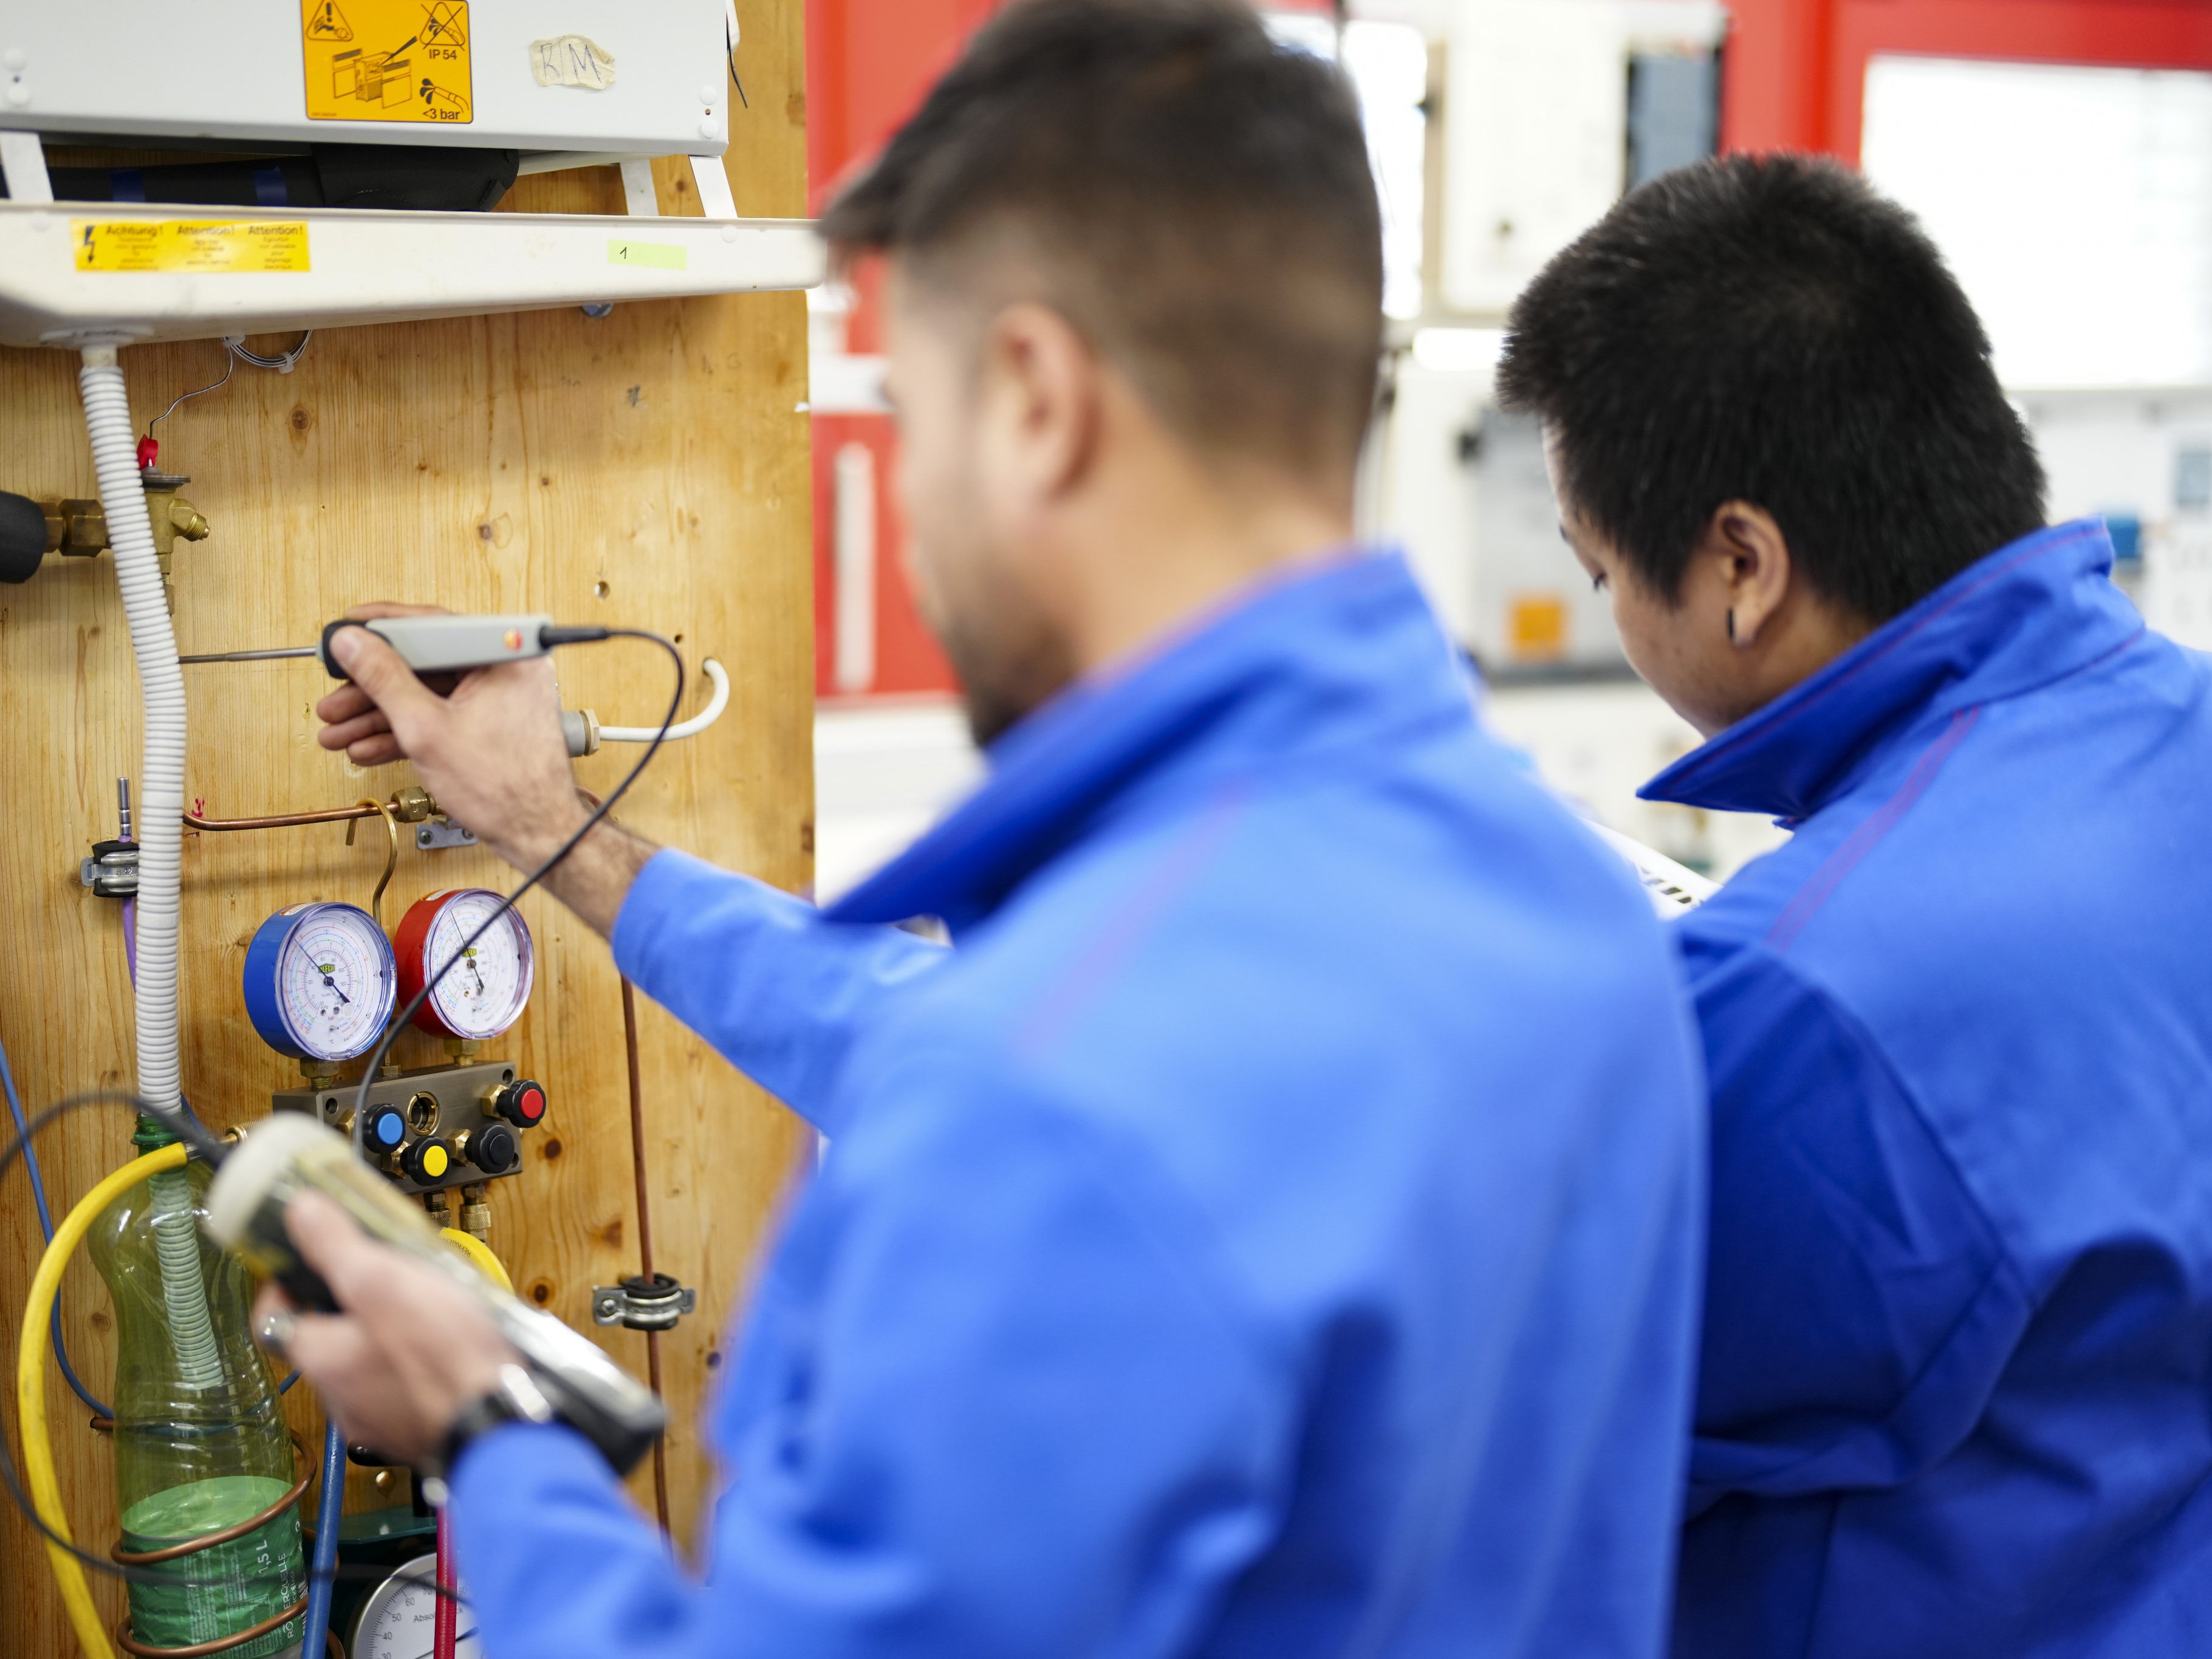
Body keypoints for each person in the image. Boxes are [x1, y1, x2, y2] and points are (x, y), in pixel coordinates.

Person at [264, 4, 1707, 1657]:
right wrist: (552, 826)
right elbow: (922, 1025)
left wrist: (487, 1435)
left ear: (1033, 400)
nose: (919, 526)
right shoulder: (1561, 901)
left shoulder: (1046, 1098)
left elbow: (1023, 1089)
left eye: (912, 417)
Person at [1497, 152, 2212, 1658]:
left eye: (1603, 567)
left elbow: (1522, 1439)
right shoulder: (2180, 731)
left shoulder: (1806, 994)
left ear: (1741, 565)